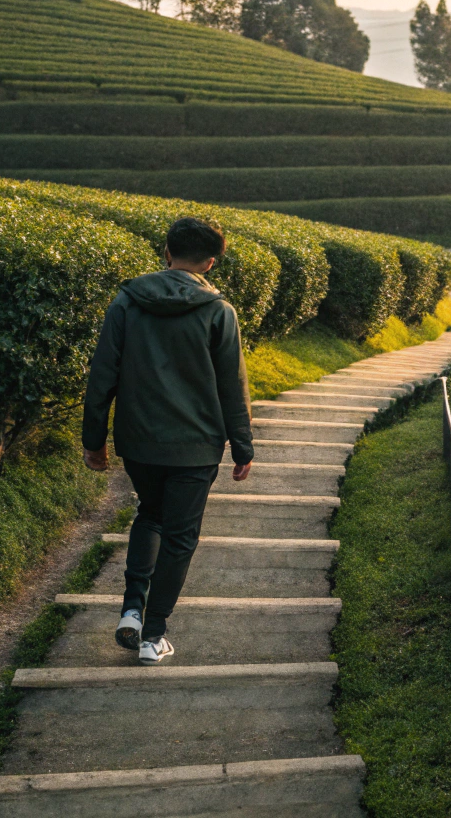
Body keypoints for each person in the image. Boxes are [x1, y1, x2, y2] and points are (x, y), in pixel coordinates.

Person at [81, 216, 253, 664]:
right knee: (180, 536)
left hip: (139, 440)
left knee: (150, 514)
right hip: (196, 445)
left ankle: (133, 609)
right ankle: (153, 635)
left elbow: (103, 376)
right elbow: (232, 385)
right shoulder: (219, 312)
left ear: (166, 251)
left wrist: (93, 439)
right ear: (211, 263)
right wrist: (243, 445)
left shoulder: (126, 302)